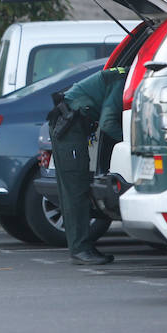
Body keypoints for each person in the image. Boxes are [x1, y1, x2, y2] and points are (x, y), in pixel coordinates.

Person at [48, 67, 127, 265]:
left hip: (69, 124)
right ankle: (80, 250)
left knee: (73, 189)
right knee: (76, 189)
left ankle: (81, 247)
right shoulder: (121, 82)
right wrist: (132, 142)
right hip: (69, 127)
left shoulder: (119, 76)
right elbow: (108, 123)